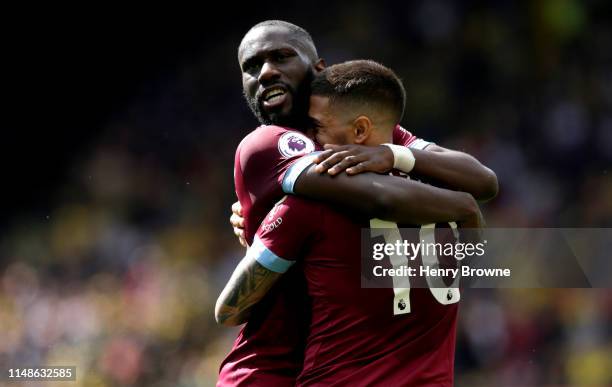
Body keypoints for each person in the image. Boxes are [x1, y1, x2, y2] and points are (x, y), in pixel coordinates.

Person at [218, 20, 496, 386]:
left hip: (342, 366)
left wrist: (394, 155)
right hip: (270, 372)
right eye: (251, 66)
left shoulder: (365, 135)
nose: (267, 71)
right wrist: (459, 207)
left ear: (318, 68)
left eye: (281, 56)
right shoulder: (267, 144)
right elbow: (380, 197)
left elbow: (484, 180)